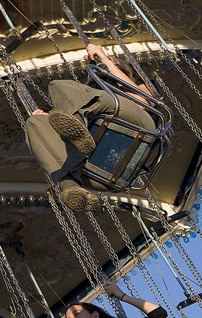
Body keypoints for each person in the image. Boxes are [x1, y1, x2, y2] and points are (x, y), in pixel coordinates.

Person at [25, 43, 157, 211]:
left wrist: (105, 60)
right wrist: (48, 120)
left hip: (137, 127)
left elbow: (144, 101)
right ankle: (70, 186)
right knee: (34, 123)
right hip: (103, 174)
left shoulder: (135, 82)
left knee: (57, 85)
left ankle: (77, 125)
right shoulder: (91, 91)